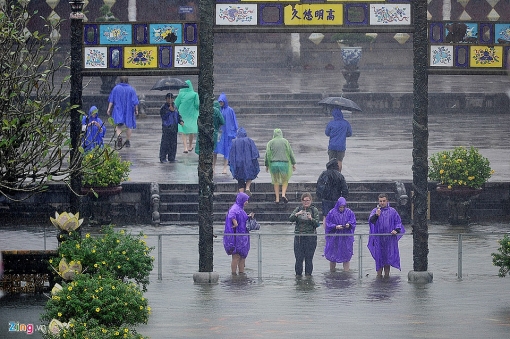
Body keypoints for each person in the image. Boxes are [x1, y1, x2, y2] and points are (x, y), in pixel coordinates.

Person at [367, 193, 406, 278]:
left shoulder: (392, 211)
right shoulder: (375, 211)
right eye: (380, 201)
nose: (382, 203)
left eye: (384, 201)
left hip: (389, 239)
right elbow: (371, 221)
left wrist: (396, 230)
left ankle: (387, 277)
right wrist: (377, 215)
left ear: (387, 201)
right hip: (378, 239)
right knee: (379, 259)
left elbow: (398, 222)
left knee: (387, 259)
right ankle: (379, 277)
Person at [289, 192, 320, 277]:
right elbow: (290, 219)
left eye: (308, 200)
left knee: (309, 259)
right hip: (299, 237)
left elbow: (317, 224)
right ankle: (298, 278)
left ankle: (308, 277)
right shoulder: (298, 209)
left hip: (310, 238)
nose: (306, 202)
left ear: (311, 201)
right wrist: (297, 214)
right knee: (298, 259)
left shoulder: (314, 210)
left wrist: (311, 219)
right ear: (302, 201)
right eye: (304, 200)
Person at [223, 192, 254, 275]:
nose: (247, 202)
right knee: (236, 256)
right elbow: (231, 215)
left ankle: (241, 274)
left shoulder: (241, 209)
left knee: (242, 256)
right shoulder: (235, 208)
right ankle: (233, 274)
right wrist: (235, 223)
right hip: (237, 237)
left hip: (242, 236)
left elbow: (242, 218)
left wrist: (248, 216)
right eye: (245, 200)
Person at [324, 197, 356, 272]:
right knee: (332, 256)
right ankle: (332, 272)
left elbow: (353, 222)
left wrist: (349, 225)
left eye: (343, 207)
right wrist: (335, 226)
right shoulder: (332, 212)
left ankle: (346, 272)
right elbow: (327, 224)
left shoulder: (349, 212)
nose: (341, 208)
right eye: (340, 207)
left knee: (346, 257)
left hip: (345, 238)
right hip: (334, 238)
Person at [264, 128, 296, 204]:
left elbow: (267, 154)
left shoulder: (270, 142)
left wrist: (267, 165)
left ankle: (277, 198)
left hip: (273, 164)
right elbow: (290, 152)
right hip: (284, 164)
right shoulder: (285, 141)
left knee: (275, 181)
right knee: (285, 180)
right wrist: (293, 163)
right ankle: (283, 194)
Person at [107, 76, 139, 148]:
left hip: (118, 109)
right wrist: (136, 110)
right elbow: (135, 101)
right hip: (129, 109)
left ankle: (119, 136)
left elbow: (111, 99)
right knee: (129, 126)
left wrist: (109, 109)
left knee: (117, 125)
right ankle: (127, 141)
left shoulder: (116, 88)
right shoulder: (131, 89)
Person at [316, 158, 349, 224]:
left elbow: (319, 186)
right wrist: (343, 198)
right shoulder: (340, 175)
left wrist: (320, 196)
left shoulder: (324, 174)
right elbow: (345, 189)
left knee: (326, 216)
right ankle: (336, 230)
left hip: (326, 199)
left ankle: (327, 232)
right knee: (337, 216)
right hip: (337, 199)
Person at [228, 127, 260, 195]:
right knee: (250, 175)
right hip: (249, 162)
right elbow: (255, 153)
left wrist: (231, 163)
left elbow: (231, 154)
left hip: (238, 163)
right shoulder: (250, 141)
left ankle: (242, 193)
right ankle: (248, 187)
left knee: (240, 178)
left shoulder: (234, 142)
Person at [214, 92, 238, 174]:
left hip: (227, 133)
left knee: (226, 151)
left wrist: (234, 130)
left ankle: (225, 168)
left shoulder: (230, 110)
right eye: (219, 101)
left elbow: (233, 121)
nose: (220, 103)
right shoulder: (217, 110)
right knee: (215, 150)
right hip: (219, 133)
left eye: (222, 101)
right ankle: (213, 167)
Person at [175, 79, 199, 153]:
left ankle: (185, 147)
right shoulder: (194, 94)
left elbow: (176, 104)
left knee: (183, 130)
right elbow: (197, 105)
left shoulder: (181, 94)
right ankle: (190, 145)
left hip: (183, 114)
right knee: (191, 129)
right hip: (191, 114)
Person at [325, 107, 352, 172]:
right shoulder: (346, 123)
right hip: (341, 146)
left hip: (332, 145)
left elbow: (327, 133)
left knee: (331, 161)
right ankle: (338, 174)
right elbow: (349, 133)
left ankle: (331, 175)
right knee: (339, 161)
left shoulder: (331, 123)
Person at [159, 93, 184, 163]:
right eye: (169, 98)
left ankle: (172, 157)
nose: (170, 100)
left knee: (173, 144)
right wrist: (169, 111)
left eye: (171, 98)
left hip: (174, 128)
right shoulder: (164, 107)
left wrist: (180, 121)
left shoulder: (175, 106)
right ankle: (163, 157)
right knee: (165, 144)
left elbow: (177, 115)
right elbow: (163, 116)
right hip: (167, 128)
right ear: (166, 99)